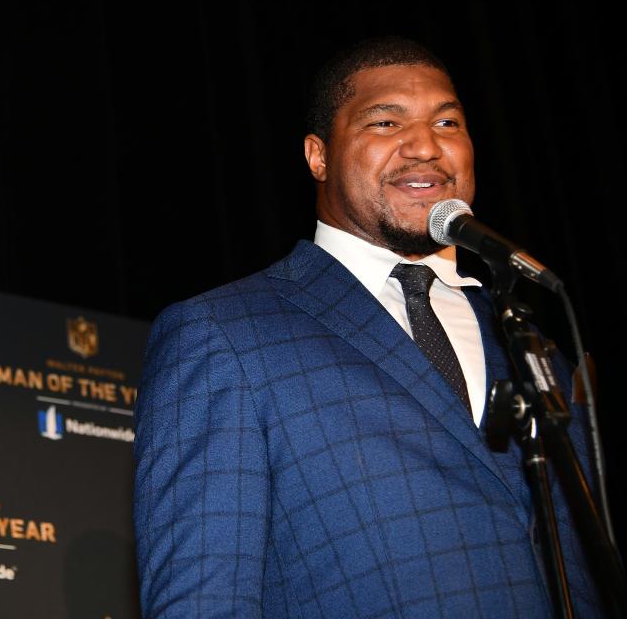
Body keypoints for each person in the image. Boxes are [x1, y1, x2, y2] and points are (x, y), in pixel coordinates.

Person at [132, 36, 601, 618]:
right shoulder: (225, 333)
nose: (426, 146)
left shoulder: (533, 346)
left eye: (448, 122)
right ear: (318, 155)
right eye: (385, 123)